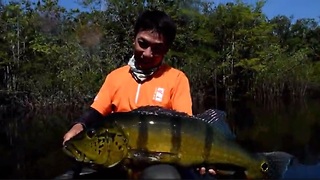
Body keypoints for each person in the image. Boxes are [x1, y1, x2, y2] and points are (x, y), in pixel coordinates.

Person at [62, 9, 214, 179]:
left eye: (157, 48)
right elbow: (96, 111)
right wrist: (79, 126)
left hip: (157, 162)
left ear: (166, 49)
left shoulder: (177, 78)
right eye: (143, 43)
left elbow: (185, 125)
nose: (148, 53)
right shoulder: (115, 76)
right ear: (133, 38)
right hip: (117, 159)